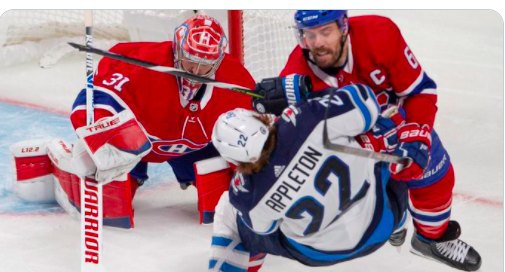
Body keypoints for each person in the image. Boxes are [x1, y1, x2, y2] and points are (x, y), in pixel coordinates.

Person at [252, 10, 481, 271]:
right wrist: (268, 115)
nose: (317, 43)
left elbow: (420, 91)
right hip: (348, 146)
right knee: (358, 195)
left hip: (397, 122)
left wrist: (417, 134)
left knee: (434, 171)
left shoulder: (379, 34)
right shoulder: (296, 76)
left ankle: (430, 240)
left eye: (325, 32)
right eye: (309, 34)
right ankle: (394, 217)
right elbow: (292, 145)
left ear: (343, 26)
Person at [10, 15, 256, 228]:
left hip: (192, 147)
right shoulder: (141, 62)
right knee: (111, 205)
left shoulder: (235, 79)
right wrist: (103, 135)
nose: (195, 70)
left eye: (205, 64)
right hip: (134, 146)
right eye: (190, 58)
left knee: (227, 199)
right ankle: (64, 163)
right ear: (177, 48)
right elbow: (94, 98)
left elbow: (256, 131)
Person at [208, 84, 410, 271]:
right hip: (381, 223)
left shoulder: (247, 194)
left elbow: (264, 229)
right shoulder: (308, 119)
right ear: (259, 119)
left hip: (318, 254)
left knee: (228, 209)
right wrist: (305, 95)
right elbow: (365, 100)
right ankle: (401, 222)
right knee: (390, 131)